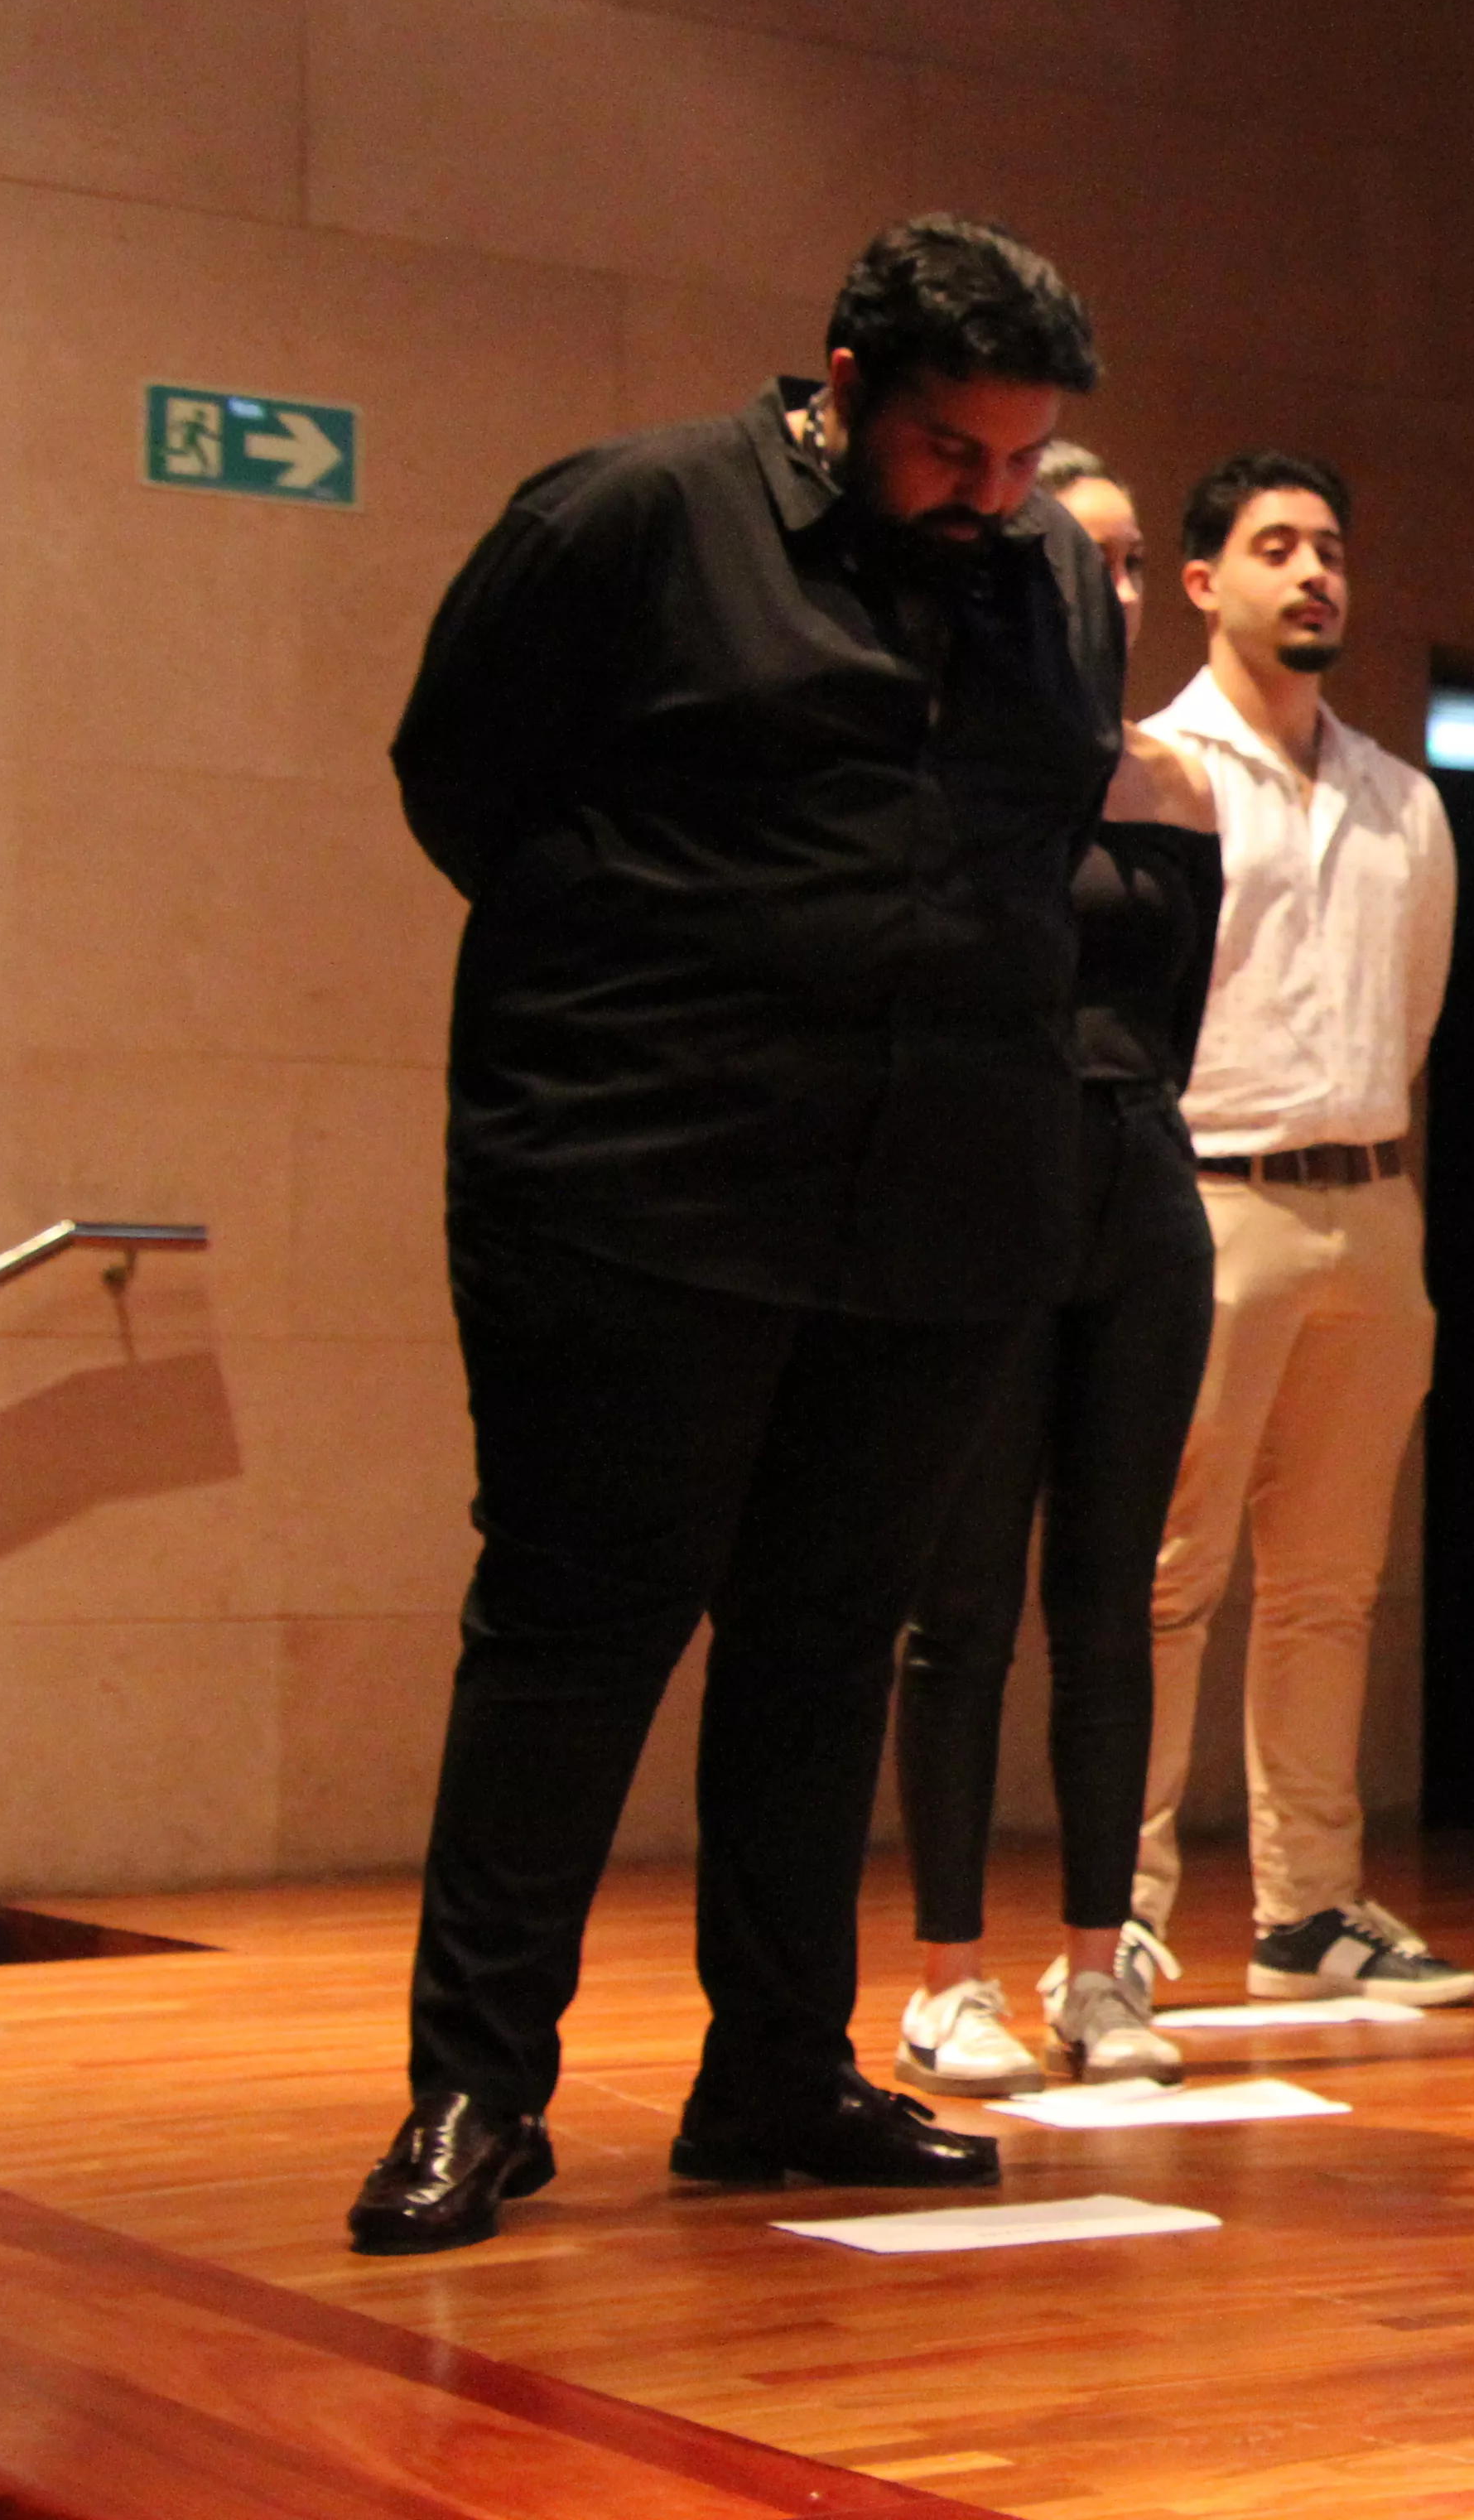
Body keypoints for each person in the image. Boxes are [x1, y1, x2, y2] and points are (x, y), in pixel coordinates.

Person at [356, 214, 1120, 2254]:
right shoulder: (631, 517)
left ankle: (776, 2071)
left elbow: (1033, 839)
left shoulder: (1047, 577)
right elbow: (460, 783)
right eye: (955, 454)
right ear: (848, 389)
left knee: (822, 1643)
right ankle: (475, 2092)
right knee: (577, 1630)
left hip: (939, 1205)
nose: (996, 501)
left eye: (1025, 461)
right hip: (640, 1179)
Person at [886, 445, 1221, 2097]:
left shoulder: (1180, 784)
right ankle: (946, 1974)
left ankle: (1101, 1969)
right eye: (1087, 558)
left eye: (1141, 559)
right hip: (984, 1191)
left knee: (1114, 1604)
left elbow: (1177, 1020)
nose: (1121, 588)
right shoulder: (951, 763)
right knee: (962, 1604)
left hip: (1144, 1189)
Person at [1130, 452, 1468, 2008]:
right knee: (1163, 1575)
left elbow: (1416, 1018)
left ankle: (1309, 1909)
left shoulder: (1406, 798)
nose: (1316, 572)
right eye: (1278, 547)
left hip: (1373, 1206)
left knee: (1332, 1585)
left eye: (1332, 546)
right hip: (1208, 1195)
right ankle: (1117, 1910)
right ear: (1205, 583)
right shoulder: (1153, 768)